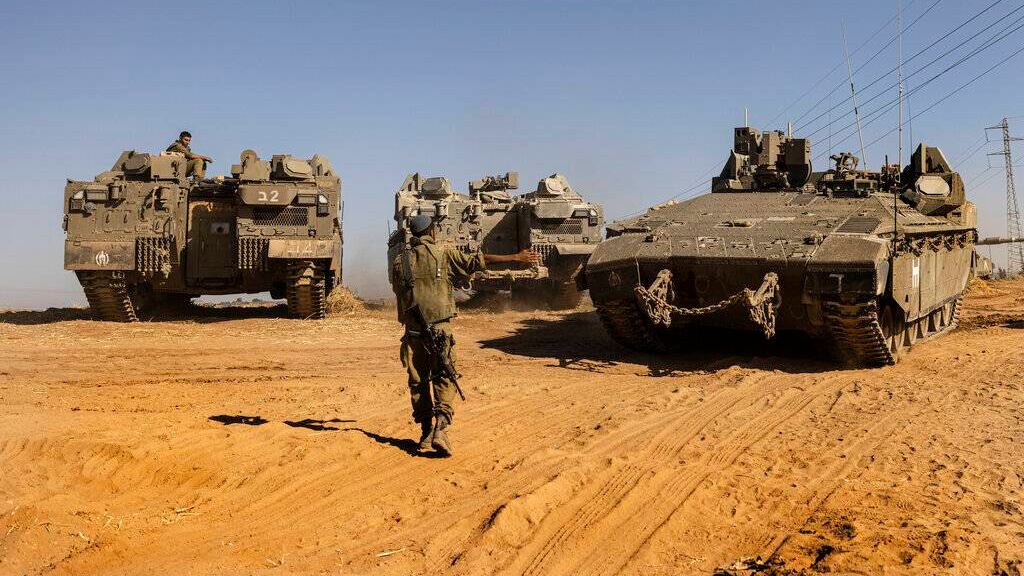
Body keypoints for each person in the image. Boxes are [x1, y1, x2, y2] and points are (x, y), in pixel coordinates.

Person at [391, 214, 537, 456]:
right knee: (444, 376)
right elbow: (477, 261)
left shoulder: (400, 261)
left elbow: (400, 294)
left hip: (414, 332)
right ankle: (440, 428)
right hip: (441, 330)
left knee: (418, 382)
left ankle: (426, 432)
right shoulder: (444, 254)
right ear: (432, 232)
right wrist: (515, 257)